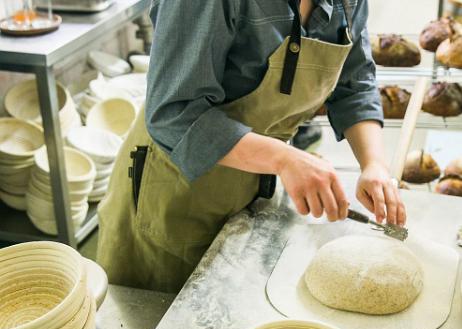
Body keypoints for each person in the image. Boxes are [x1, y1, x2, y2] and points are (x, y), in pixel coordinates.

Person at [97, 0, 406, 293]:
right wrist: (283, 159)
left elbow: (355, 82)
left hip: (257, 186)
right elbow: (174, 113)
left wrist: (373, 164)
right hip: (174, 193)